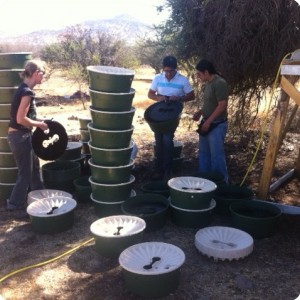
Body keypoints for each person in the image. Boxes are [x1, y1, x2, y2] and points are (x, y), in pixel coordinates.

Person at [6, 61, 48, 216]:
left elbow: (25, 117)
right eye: (43, 73)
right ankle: (14, 205)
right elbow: (20, 119)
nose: (43, 77)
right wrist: (39, 125)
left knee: (35, 170)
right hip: (19, 137)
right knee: (25, 174)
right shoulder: (27, 92)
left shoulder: (24, 89)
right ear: (36, 73)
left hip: (23, 136)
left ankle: (39, 200)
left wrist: (38, 121)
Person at [148, 55, 195, 180]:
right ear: (163, 69)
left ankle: (168, 170)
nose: (168, 74)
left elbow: (191, 95)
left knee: (168, 140)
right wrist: (161, 98)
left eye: (171, 71)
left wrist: (179, 98)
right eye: (166, 71)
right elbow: (150, 94)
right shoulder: (157, 78)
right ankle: (158, 169)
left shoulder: (183, 80)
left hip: (173, 113)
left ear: (176, 69)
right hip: (159, 112)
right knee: (158, 141)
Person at [193, 59, 229, 183]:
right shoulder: (208, 83)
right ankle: (205, 182)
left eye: (199, 74)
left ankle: (221, 183)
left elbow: (222, 105)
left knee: (216, 156)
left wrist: (208, 122)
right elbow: (209, 103)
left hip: (217, 124)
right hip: (206, 122)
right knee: (203, 153)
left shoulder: (219, 83)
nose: (198, 76)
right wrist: (200, 112)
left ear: (206, 72)